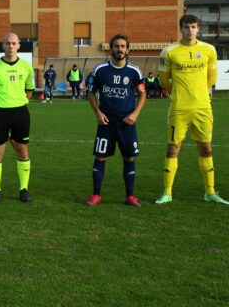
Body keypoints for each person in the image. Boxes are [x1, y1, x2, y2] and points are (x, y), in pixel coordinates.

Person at [155, 15, 228, 205]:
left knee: (206, 147)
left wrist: (197, 93)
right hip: (179, 108)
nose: (190, 30)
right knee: (173, 148)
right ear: (181, 29)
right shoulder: (168, 52)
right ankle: (167, 192)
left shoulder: (209, 50)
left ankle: (210, 192)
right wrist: (179, 93)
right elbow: (163, 81)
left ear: (198, 29)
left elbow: (211, 78)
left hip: (203, 107)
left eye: (193, 26)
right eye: (186, 27)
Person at [86, 34, 146, 207]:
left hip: (127, 122)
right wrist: (97, 112)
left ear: (128, 50)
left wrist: (135, 114)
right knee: (100, 157)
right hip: (106, 123)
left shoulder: (134, 71)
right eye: (116, 46)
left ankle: (130, 196)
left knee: (129, 158)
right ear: (111, 48)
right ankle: (96, 194)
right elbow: (90, 93)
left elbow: (142, 94)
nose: (119, 49)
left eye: (122, 46)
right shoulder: (100, 69)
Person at [0, 33, 35, 203]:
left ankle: (24, 189)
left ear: (19, 45)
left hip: (20, 113)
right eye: (7, 43)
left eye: (14, 43)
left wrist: (17, 103)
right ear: (3, 45)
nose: (11, 46)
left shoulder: (26, 67)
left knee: (22, 151)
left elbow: (29, 91)